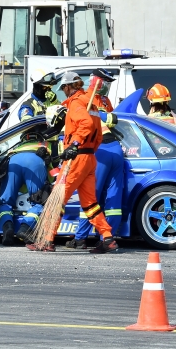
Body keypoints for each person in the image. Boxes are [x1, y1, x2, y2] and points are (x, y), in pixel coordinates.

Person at [27, 72, 117, 254]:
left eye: (64, 88)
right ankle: (107, 238)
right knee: (90, 204)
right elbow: (97, 134)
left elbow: (85, 124)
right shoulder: (91, 104)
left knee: (58, 199)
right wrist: (88, 149)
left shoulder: (77, 103)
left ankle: (46, 240)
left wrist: (74, 144)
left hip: (76, 159)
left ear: (69, 86)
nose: (64, 92)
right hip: (90, 158)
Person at [66, 69, 124, 249]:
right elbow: (112, 119)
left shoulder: (85, 99)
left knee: (91, 196)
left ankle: (82, 237)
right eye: (105, 82)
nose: (106, 86)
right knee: (111, 198)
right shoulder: (101, 100)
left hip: (98, 150)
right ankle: (107, 239)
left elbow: (89, 124)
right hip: (115, 148)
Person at [0, 132, 50, 245]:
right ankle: (25, 229)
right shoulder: (46, 145)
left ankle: (7, 229)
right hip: (36, 160)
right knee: (39, 202)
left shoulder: (17, 146)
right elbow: (54, 169)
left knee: (5, 202)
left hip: (14, 161)